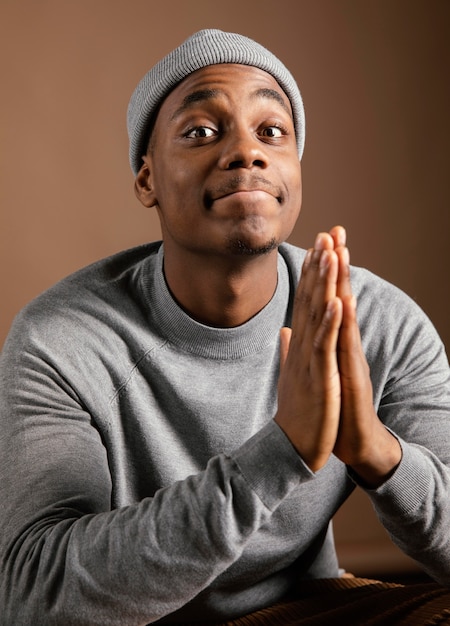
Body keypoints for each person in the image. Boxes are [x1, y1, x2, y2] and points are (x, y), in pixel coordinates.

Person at [1, 28, 450, 626]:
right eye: (201, 133)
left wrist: (376, 451)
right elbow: (35, 592)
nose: (246, 151)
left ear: (295, 166)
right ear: (147, 179)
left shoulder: (376, 323)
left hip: (302, 611)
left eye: (271, 131)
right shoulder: (61, 340)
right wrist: (279, 453)